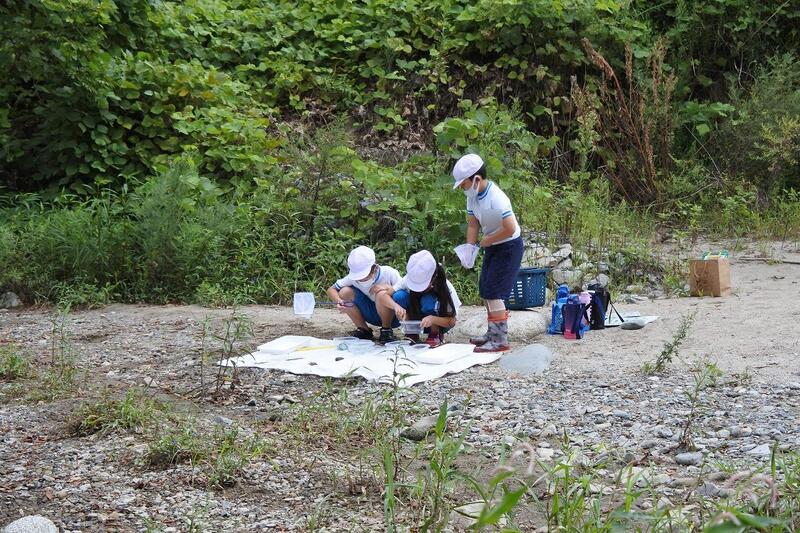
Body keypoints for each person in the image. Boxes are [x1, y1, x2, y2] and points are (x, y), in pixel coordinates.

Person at [452, 153, 523, 352]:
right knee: (485, 288)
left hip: (508, 247)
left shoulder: (496, 198)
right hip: (493, 245)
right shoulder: (474, 198)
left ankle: (500, 340)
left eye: (464, 185)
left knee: (494, 292)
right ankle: (492, 332)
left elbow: (509, 228)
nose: (463, 189)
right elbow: (473, 224)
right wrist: (469, 247)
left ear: (476, 179)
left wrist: (487, 241)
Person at [375, 250, 461, 347]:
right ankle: (411, 333)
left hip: (439, 323)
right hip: (417, 322)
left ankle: (435, 334)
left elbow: (451, 321)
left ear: (433, 278)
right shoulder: (407, 279)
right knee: (398, 296)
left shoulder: (446, 288)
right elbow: (384, 297)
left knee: (427, 300)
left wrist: (433, 319)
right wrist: (396, 307)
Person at [326, 245, 402, 343]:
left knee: (381, 294)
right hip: (370, 313)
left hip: (393, 315)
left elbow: (405, 291)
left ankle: (386, 331)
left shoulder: (389, 273)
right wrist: (339, 301)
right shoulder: (352, 278)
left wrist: (388, 288)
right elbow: (331, 289)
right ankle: (364, 330)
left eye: (364, 277)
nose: (361, 280)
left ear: (375, 268)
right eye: (358, 278)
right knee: (344, 292)